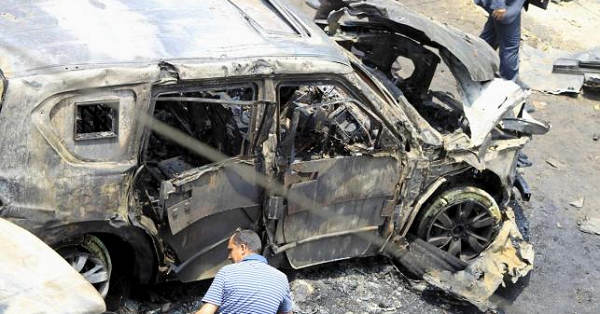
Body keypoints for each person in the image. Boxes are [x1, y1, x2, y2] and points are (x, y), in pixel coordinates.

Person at [194, 229, 293, 314]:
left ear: (242, 248)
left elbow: (206, 312)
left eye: (231, 250)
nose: (229, 256)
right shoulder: (281, 278)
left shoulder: (227, 272)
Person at [475, 0, 528, 81]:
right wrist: (498, 4)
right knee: (510, 46)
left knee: (491, 37)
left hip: (507, 5)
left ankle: (473, 69)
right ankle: (508, 83)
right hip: (505, 6)